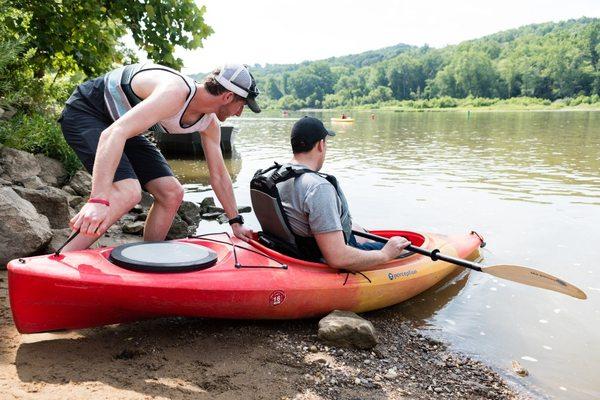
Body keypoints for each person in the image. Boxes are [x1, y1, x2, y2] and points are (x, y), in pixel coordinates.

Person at [59, 63, 260, 251]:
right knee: (128, 192)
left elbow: (219, 176)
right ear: (227, 97)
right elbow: (112, 134)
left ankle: (149, 257)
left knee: (172, 193)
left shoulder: (209, 124)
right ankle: (62, 259)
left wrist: (236, 223)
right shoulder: (174, 92)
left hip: (123, 127)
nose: (240, 113)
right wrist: (98, 200)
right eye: (242, 105)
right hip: (88, 112)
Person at [251, 116, 410, 271]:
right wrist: (385, 254)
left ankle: (363, 238)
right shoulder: (317, 187)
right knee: (406, 247)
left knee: (356, 227)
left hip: (291, 248)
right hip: (317, 257)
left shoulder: (271, 176)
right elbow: (337, 257)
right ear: (321, 145)